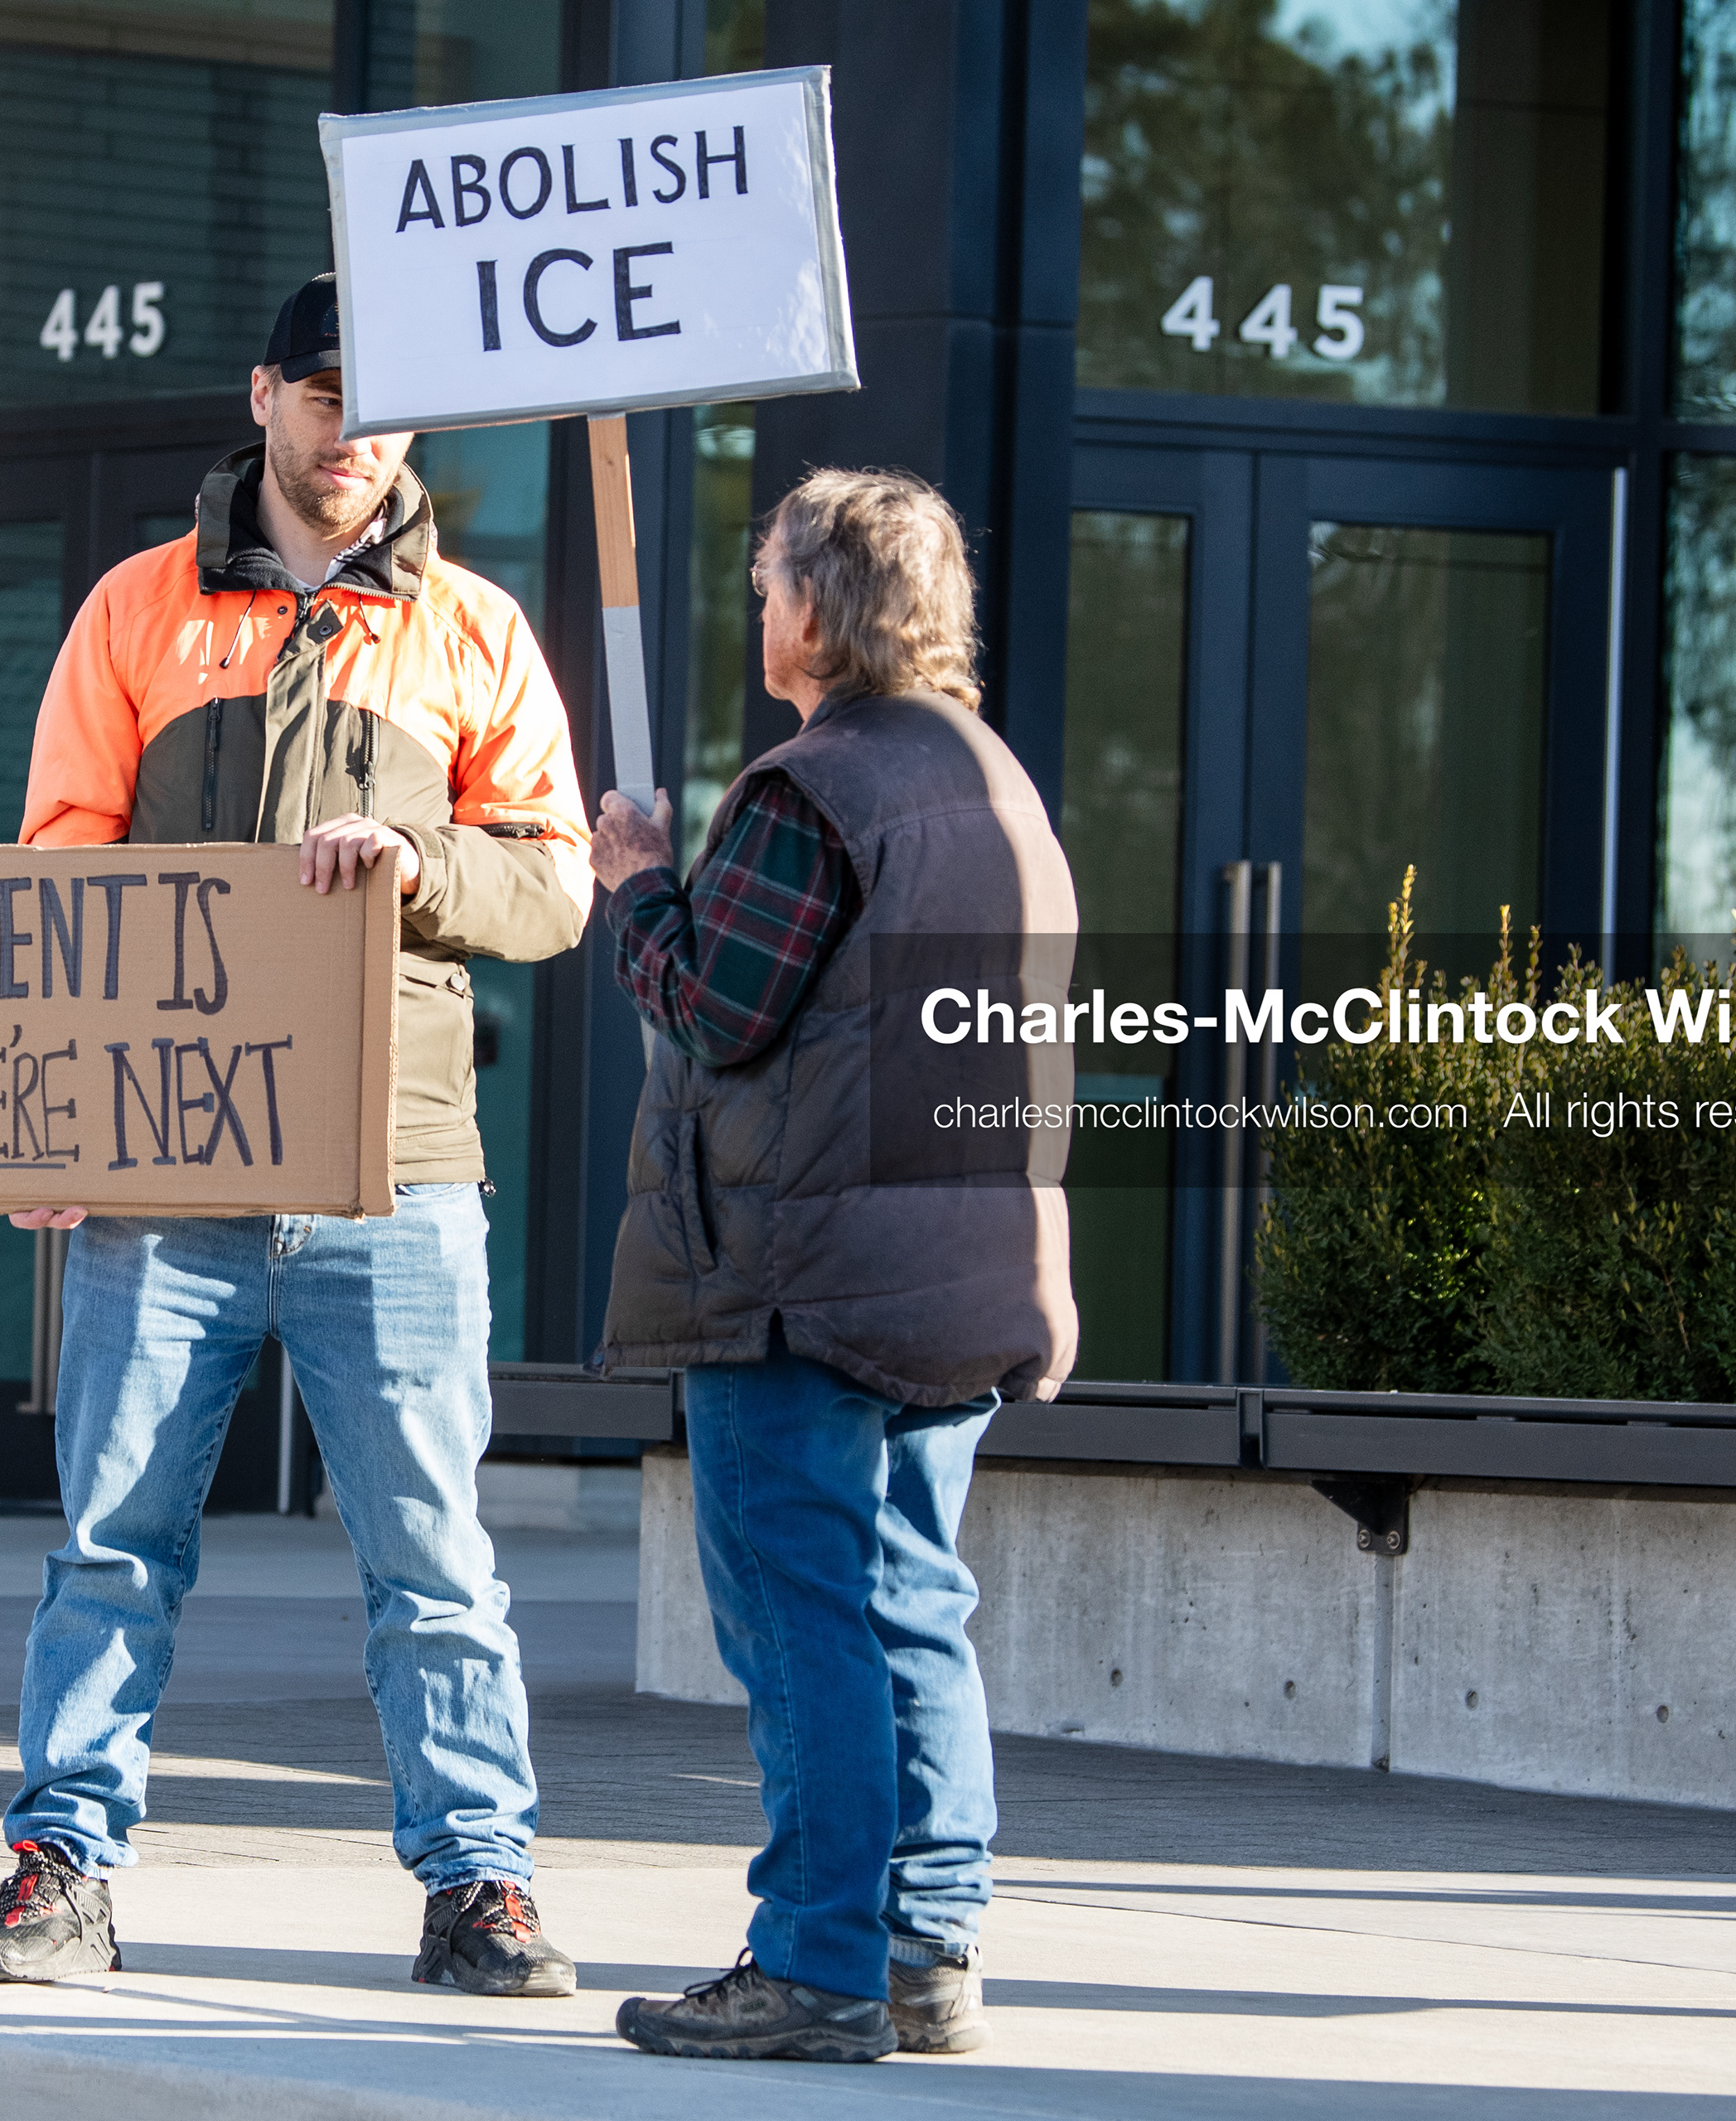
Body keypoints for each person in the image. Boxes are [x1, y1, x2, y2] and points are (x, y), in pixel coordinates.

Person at [0, 273, 594, 1998]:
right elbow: (51, 877)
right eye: (323, 392)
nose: (353, 429)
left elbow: (552, 884)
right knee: (111, 1533)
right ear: (263, 396)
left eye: (381, 402)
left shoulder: (471, 628)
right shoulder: (137, 612)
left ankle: (482, 1883)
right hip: (162, 1170)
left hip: (395, 1173)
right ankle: (62, 1865)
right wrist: (55, 1110)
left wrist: (421, 866)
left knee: (433, 1554)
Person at [588, 468, 1077, 2063]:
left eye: (769, 580)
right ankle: (928, 1945)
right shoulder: (1000, 786)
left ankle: (815, 1959)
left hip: (803, 1281)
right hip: (961, 1272)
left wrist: (642, 883)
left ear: (828, 606)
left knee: (803, 1617)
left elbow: (720, 1007)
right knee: (916, 1602)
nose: (754, 606)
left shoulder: (814, 791)